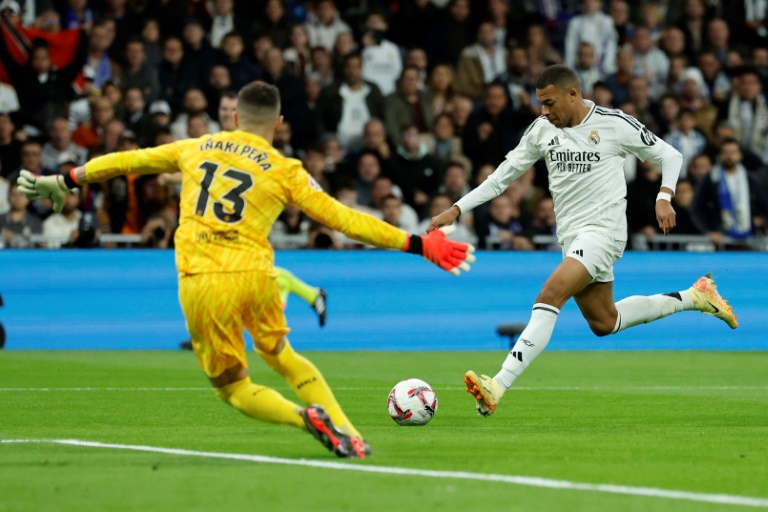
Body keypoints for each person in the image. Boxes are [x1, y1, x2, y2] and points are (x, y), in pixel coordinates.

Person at [18, 81, 474, 458]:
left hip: (202, 282)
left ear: (234, 117)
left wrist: (63, 180)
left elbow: (127, 161)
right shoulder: (285, 168)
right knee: (284, 357)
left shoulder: (195, 147)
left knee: (234, 389)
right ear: (277, 124)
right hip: (257, 277)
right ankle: (350, 434)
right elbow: (343, 218)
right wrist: (416, 244)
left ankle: (303, 418)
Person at [428, 65, 737, 417]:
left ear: (572, 94)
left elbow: (670, 154)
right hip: (572, 236)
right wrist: (457, 208)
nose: (544, 111)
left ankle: (497, 384)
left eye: (549, 102)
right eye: (540, 104)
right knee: (605, 322)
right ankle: (695, 296)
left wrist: (663, 196)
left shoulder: (613, 123)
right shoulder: (542, 130)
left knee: (549, 296)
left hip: (604, 232)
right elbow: (502, 177)